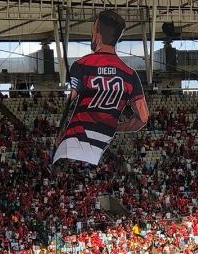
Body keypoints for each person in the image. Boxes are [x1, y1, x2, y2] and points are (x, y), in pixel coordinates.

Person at [53, 10, 149, 166]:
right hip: (102, 143)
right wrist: (117, 127)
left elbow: (70, 100)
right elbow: (143, 118)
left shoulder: (82, 65)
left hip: (75, 141)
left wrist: (60, 133)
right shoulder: (130, 75)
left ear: (96, 33)